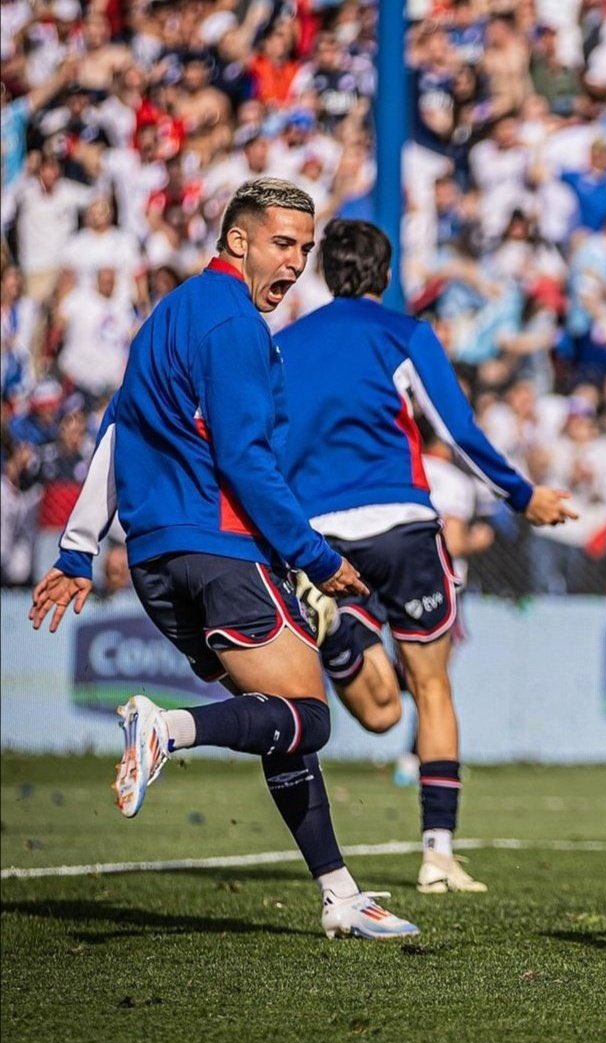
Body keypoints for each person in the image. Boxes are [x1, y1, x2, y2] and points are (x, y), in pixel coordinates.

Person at [27, 178, 419, 942]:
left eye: (306, 249)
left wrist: (78, 551)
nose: (298, 263)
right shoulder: (234, 324)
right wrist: (314, 557)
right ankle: (165, 731)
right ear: (237, 240)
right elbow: (243, 459)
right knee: (307, 718)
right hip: (219, 547)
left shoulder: (165, 316)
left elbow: (115, 434)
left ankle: (339, 893)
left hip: (156, 562)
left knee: (280, 722)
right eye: (283, 244)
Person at [275, 219, 576, 894]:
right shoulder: (404, 334)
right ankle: (438, 853)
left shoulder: (283, 347)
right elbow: (457, 429)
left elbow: (259, 448)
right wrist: (522, 495)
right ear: (385, 277)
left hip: (317, 537)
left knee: (378, 711)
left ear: (322, 274)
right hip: (402, 527)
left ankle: (341, 632)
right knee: (429, 689)